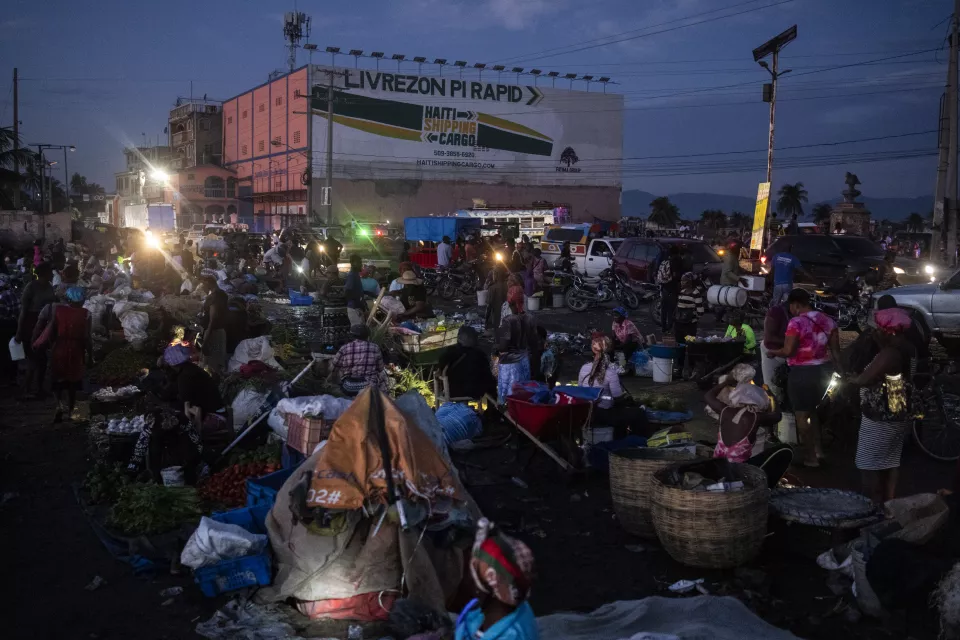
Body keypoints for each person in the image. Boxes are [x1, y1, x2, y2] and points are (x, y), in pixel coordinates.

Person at [848, 307, 918, 504]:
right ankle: (889, 503)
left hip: (880, 414)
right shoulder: (908, 348)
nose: (874, 332)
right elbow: (894, 378)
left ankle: (872, 504)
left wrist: (852, 379)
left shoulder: (889, 354)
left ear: (888, 331)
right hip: (898, 405)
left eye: (878, 329)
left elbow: (863, 379)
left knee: (867, 463)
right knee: (890, 460)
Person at [765, 288, 841, 467]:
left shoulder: (796, 322)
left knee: (801, 415)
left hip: (802, 373)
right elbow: (836, 352)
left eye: (791, 307)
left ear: (795, 304)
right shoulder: (828, 320)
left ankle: (810, 458)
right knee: (813, 412)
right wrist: (842, 373)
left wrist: (773, 352)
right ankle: (819, 451)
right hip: (824, 371)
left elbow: (788, 351)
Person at [456, 518, 538, 640]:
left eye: (473, 573)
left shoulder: (512, 635)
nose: (467, 579)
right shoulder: (485, 611)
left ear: (491, 581)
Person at [704, 378, 793, 487]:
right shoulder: (755, 417)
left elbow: (708, 396)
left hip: (717, 468)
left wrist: (725, 382)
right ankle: (767, 487)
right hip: (738, 473)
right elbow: (777, 416)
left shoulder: (724, 410)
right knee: (786, 449)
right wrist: (772, 396)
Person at [33, 287, 90, 422]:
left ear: (68, 299)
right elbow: (87, 337)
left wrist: (49, 345)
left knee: (57, 378)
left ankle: (59, 405)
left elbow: (51, 330)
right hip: (76, 350)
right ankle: (72, 411)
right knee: (74, 381)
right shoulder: (86, 314)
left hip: (59, 348)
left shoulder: (58, 311)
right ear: (82, 301)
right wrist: (90, 355)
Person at [18, 262, 57, 399]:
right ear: (44, 274)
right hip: (31, 324)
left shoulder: (49, 286)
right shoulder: (31, 287)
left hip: (45, 324)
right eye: (50, 272)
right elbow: (23, 311)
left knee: (42, 359)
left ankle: (38, 388)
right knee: (34, 358)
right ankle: (26, 389)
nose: (52, 274)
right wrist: (19, 331)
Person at [496, 286, 541, 403]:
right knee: (523, 395)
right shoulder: (530, 318)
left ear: (509, 302)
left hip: (509, 364)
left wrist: (497, 348)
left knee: (508, 397)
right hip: (524, 362)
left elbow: (503, 346)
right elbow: (534, 343)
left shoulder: (508, 321)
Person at [438, 326, 497, 400]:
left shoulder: (449, 352)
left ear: (459, 338)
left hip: (451, 391)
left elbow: (441, 368)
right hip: (474, 392)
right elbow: (487, 376)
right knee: (492, 384)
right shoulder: (479, 354)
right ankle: (495, 406)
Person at [328, 324, 388, 395]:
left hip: (349, 387)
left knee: (338, 369)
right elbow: (380, 368)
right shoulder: (375, 347)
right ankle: (384, 396)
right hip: (369, 387)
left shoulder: (344, 348)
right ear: (367, 336)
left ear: (352, 335)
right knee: (382, 374)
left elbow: (333, 368)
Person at [761, 298, 792, 403]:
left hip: (786, 353)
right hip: (772, 352)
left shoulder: (800, 313)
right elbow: (769, 338)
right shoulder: (775, 312)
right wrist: (794, 341)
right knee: (772, 388)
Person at [200, 275, 228, 376]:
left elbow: (213, 319)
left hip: (213, 334)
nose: (202, 286)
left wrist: (206, 340)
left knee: (210, 366)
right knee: (217, 364)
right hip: (219, 332)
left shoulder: (213, 297)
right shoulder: (223, 294)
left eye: (203, 284)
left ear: (208, 283)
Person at [0, 275, 20, 386]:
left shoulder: (2, 296)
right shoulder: (12, 293)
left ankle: (4, 377)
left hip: (3, 325)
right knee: (13, 350)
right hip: (14, 324)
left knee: (3, 351)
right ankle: (13, 376)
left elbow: (2, 312)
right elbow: (18, 310)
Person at [656, 245, 681, 332]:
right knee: (671, 309)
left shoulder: (664, 261)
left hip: (664, 288)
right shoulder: (676, 261)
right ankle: (669, 327)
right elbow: (675, 275)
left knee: (664, 309)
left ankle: (663, 327)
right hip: (672, 288)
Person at [674, 272, 705, 343]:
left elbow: (700, 312)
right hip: (681, 324)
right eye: (681, 280)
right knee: (683, 343)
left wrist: (693, 318)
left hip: (689, 325)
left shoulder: (695, 293)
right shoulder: (682, 292)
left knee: (688, 342)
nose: (681, 282)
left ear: (690, 282)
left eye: (684, 280)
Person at [343, 254, 367, 326]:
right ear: (353, 263)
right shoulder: (352, 275)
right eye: (359, 262)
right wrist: (357, 305)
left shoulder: (356, 274)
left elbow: (356, 291)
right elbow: (348, 291)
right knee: (358, 329)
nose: (361, 265)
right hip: (354, 308)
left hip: (356, 308)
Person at [484, 266, 508, 338]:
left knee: (498, 335)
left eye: (494, 274)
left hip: (497, 316)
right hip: (507, 315)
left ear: (496, 275)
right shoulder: (508, 285)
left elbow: (489, 306)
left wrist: (486, 320)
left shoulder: (492, 288)